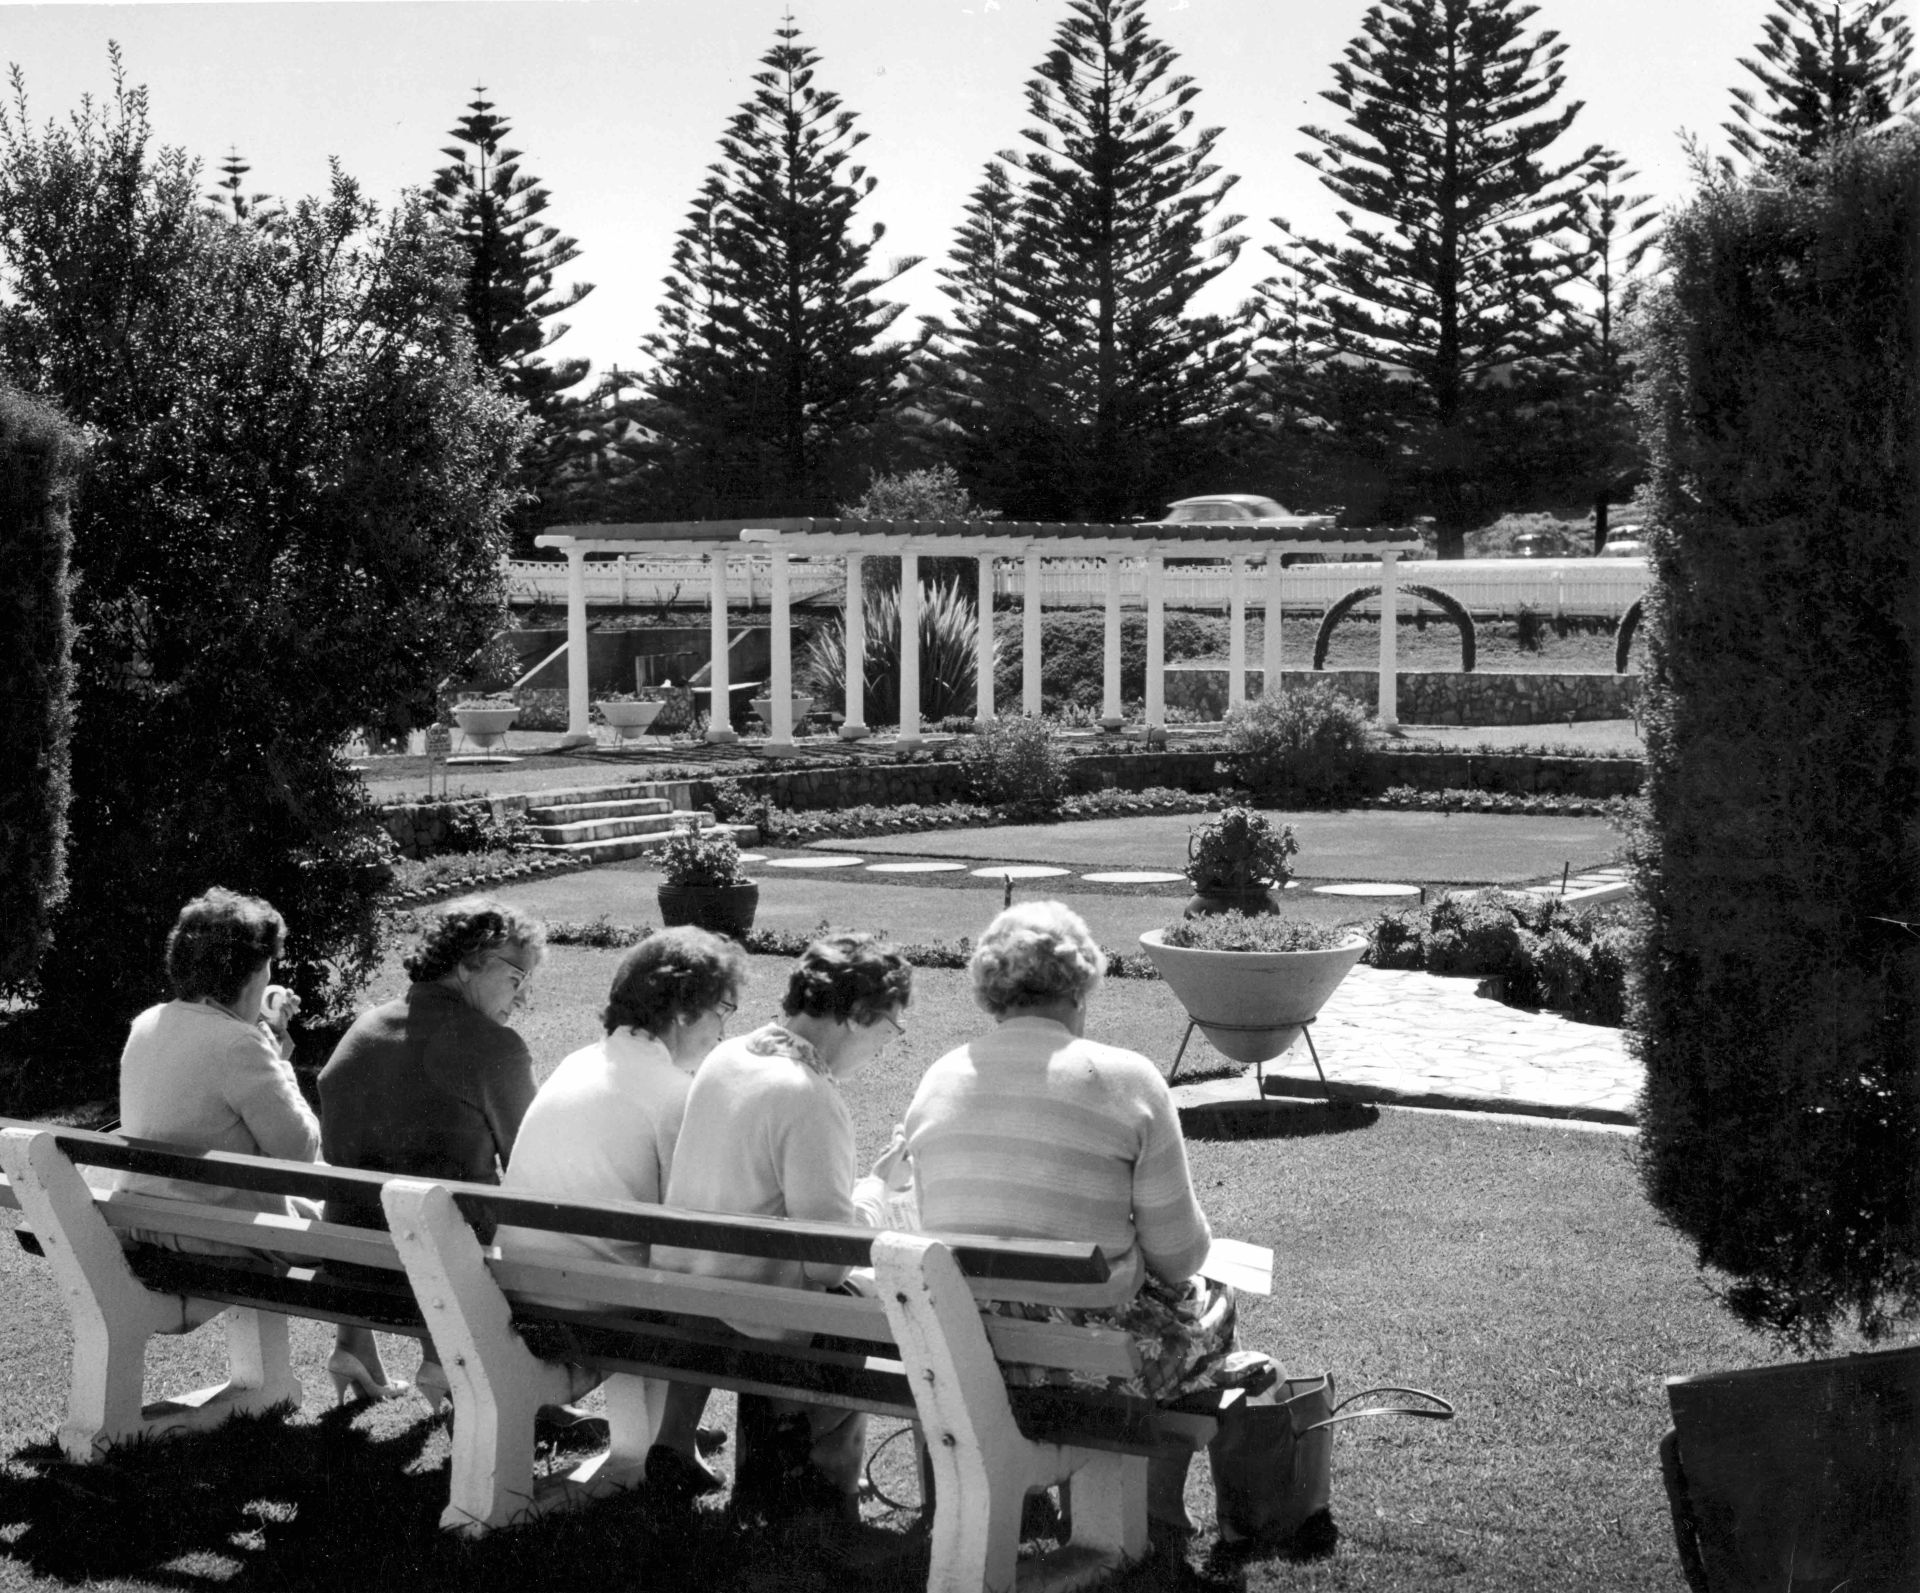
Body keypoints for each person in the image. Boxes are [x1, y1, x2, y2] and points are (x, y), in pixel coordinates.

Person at [898, 901, 1237, 1544]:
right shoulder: (1125, 1078)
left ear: (988, 989)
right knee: (1211, 1302)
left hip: (964, 1344)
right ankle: (1156, 1508)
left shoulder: (940, 1077)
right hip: (1090, 1362)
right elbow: (1180, 1256)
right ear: (1083, 982)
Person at [651, 931, 912, 1525]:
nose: (887, 1049)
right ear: (855, 1017)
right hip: (756, 1315)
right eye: (889, 1031)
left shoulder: (727, 1056)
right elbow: (828, 1263)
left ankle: (752, 1466)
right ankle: (820, 1486)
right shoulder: (809, 1095)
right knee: (865, 1298)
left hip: (688, 1296)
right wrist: (878, 1187)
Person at [500, 926, 746, 1492]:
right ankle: (671, 1442)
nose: (725, 1030)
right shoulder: (673, 1092)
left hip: (525, 1290)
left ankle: (664, 1435)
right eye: (723, 1011)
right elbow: (690, 1230)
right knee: (717, 1277)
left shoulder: (581, 1062)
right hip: (595, 1309)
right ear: (685, 1012)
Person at [318, 896, 544, 1407]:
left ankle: (371, 1352)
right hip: (445, 1272)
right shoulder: (492, 1047)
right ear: (467, 963)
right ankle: (459, 1370)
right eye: (515, 977)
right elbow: (532, 1166)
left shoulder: (364, 1029)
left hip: (353, 1271)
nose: (523, 997)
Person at [114, 888, 320, 1265]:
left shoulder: (147, 1022)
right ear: (253, 973)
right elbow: (300, 1152)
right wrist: (281, 1063)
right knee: (349, 1224)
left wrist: (259, 1034)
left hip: (145, 1220)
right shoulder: (239, 1043)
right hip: (216, 1235)